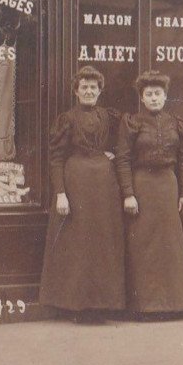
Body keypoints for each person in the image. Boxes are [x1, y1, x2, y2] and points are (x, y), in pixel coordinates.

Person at [38, 66, 125, 320]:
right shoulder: (67, 119)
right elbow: (56, 159)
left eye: (93, 87)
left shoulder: (109, 117)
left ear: (100, 91)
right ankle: (76, 306)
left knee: (102, 244)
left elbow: (128, 142)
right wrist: (60, 194)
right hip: (76, 185)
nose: (88, 91)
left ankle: (102, 305)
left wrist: (113, 154)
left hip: (104, 188)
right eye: (84, 87)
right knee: (78, 245)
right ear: (76, 91)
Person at [115, 71, 183, 317]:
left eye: (158, 94)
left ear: (165, 97)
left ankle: (174, 305)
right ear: (142, 98)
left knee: (169, 246)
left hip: (168, 187)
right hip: (142, 186)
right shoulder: (132, 122)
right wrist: (128, 194)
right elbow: (122, 159)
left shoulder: (175, 123)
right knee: (144, 246)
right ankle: (145, 306)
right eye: (148, 94)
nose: (153, 98)